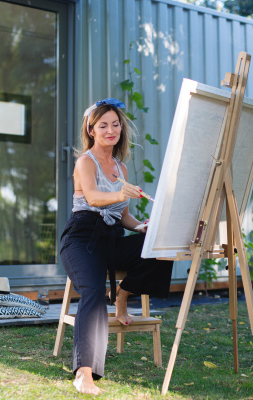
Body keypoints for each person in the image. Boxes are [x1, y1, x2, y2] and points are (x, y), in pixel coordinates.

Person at [59, 98, 174, 395]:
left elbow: (122, 215)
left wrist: (141, 227)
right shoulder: (85, 161)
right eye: (103, 125)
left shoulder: (121, 167)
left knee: (159, 244)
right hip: (82, 238)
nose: (110, 130)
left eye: (115, 124)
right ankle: (84, 373)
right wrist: (121, 192)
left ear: (121, 129)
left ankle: (122, 295)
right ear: (92, 130)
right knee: (94, 292)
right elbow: (95, 198)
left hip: (112, 239)